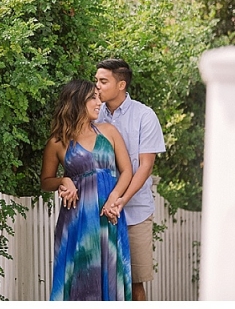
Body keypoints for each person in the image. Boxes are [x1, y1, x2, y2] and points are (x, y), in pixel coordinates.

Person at [41, 79, 133, 301]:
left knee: (112, 272)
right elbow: (45, 181)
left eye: (98, 96)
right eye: (93, 97)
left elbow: (127, 170)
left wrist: (114, 198)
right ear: (76, 101)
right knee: (80, 274)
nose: (98, 101)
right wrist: (64, 180)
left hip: (108, 215)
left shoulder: (109, 131)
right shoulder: (58, 142)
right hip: (77, 221)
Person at [93, 58, 166, 301]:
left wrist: (122, 200)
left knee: (134, 284)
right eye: (96, 81)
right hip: (97, 209)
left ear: (121, 84)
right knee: (99, 280)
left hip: (135, 211)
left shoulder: (145, 116)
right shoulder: (92, 114)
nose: (98, 87)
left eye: (104, 81)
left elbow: (145, 166)